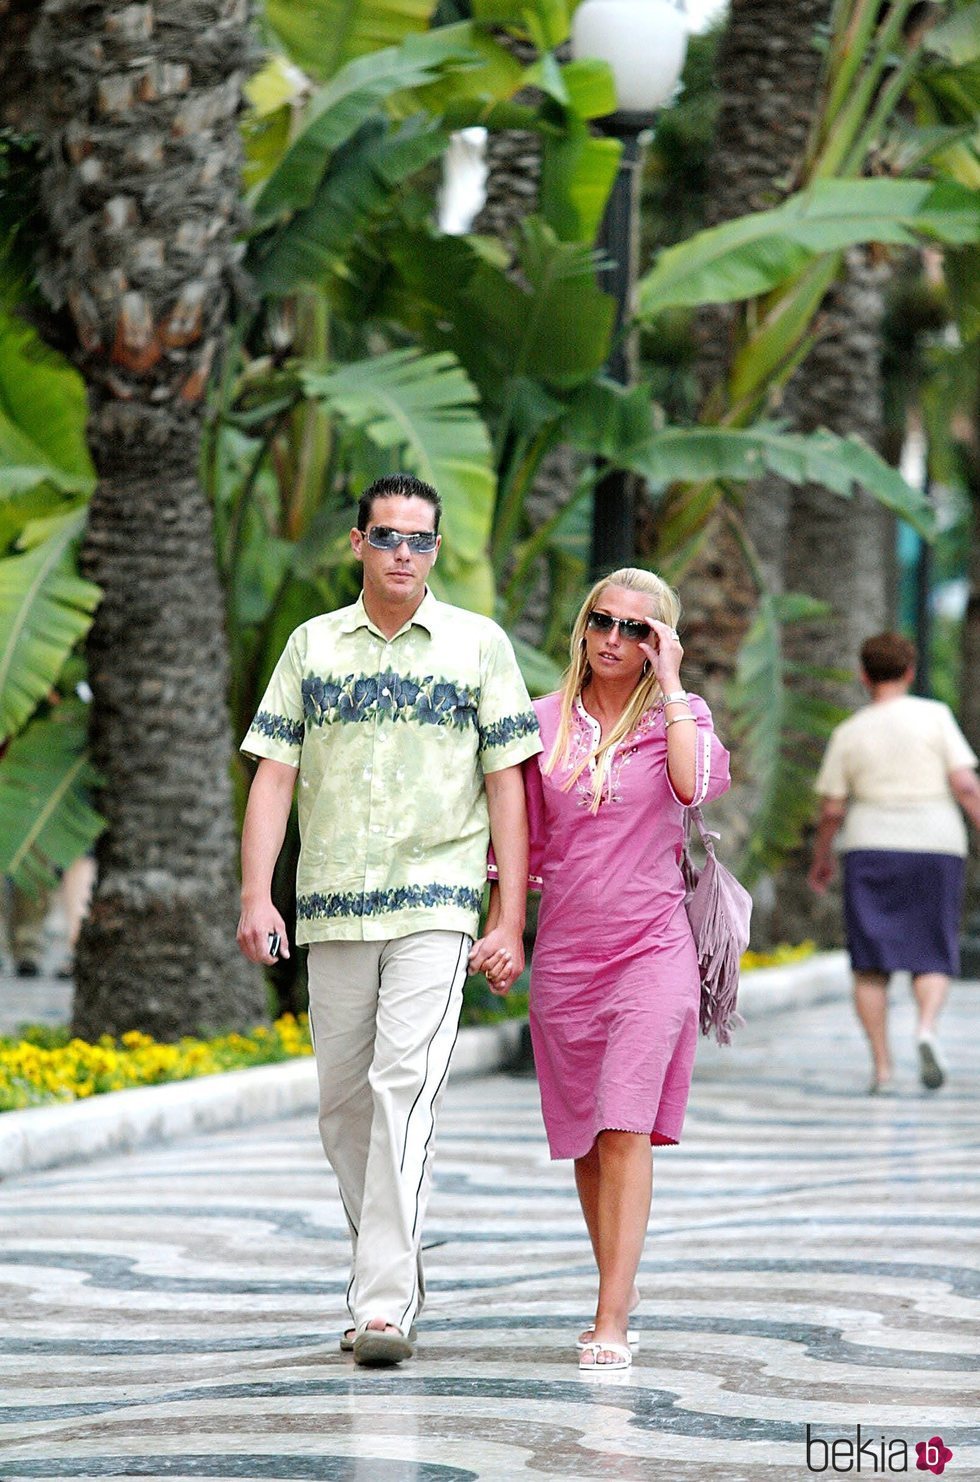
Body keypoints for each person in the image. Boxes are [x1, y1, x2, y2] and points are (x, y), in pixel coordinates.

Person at [237, 473, 541, 1367]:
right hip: (331, 904)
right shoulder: (310, 647)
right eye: (386, 537)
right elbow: (274, 777)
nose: (402, 552)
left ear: (436, 550)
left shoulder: (478, 647)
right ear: (358, 544)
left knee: (402, 1088)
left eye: (418, 539)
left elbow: (508, 788)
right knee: (343, 1108)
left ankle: (381, 1305)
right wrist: (258, 894)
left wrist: (507, 915)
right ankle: (393, 1264)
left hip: (438, 903)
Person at [472, 567, 731, 1372]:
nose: (616, 640)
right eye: (603, 623)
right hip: (569, 957)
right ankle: (617, 1282)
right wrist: (505, 928)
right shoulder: (540, 724)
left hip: (654, 948)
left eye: (638, 629)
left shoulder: (679, 719)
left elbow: (693, 788)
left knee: (623, 1124)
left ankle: (610, 1317)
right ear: (582, 629)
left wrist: (676, 682)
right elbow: (511, 842)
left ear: (661, 641)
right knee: (589, 1137)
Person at [808, 631, 980, 1095]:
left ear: (863, 676)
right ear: (909, 671)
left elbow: (831, 811)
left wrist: (821, 859)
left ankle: (882, 1069)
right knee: (933, 950)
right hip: (936, 844)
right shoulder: (936, 717)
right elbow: (965, 784)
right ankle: (926, 1028)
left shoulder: (849, 732)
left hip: (871, 847)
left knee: (869, 965)